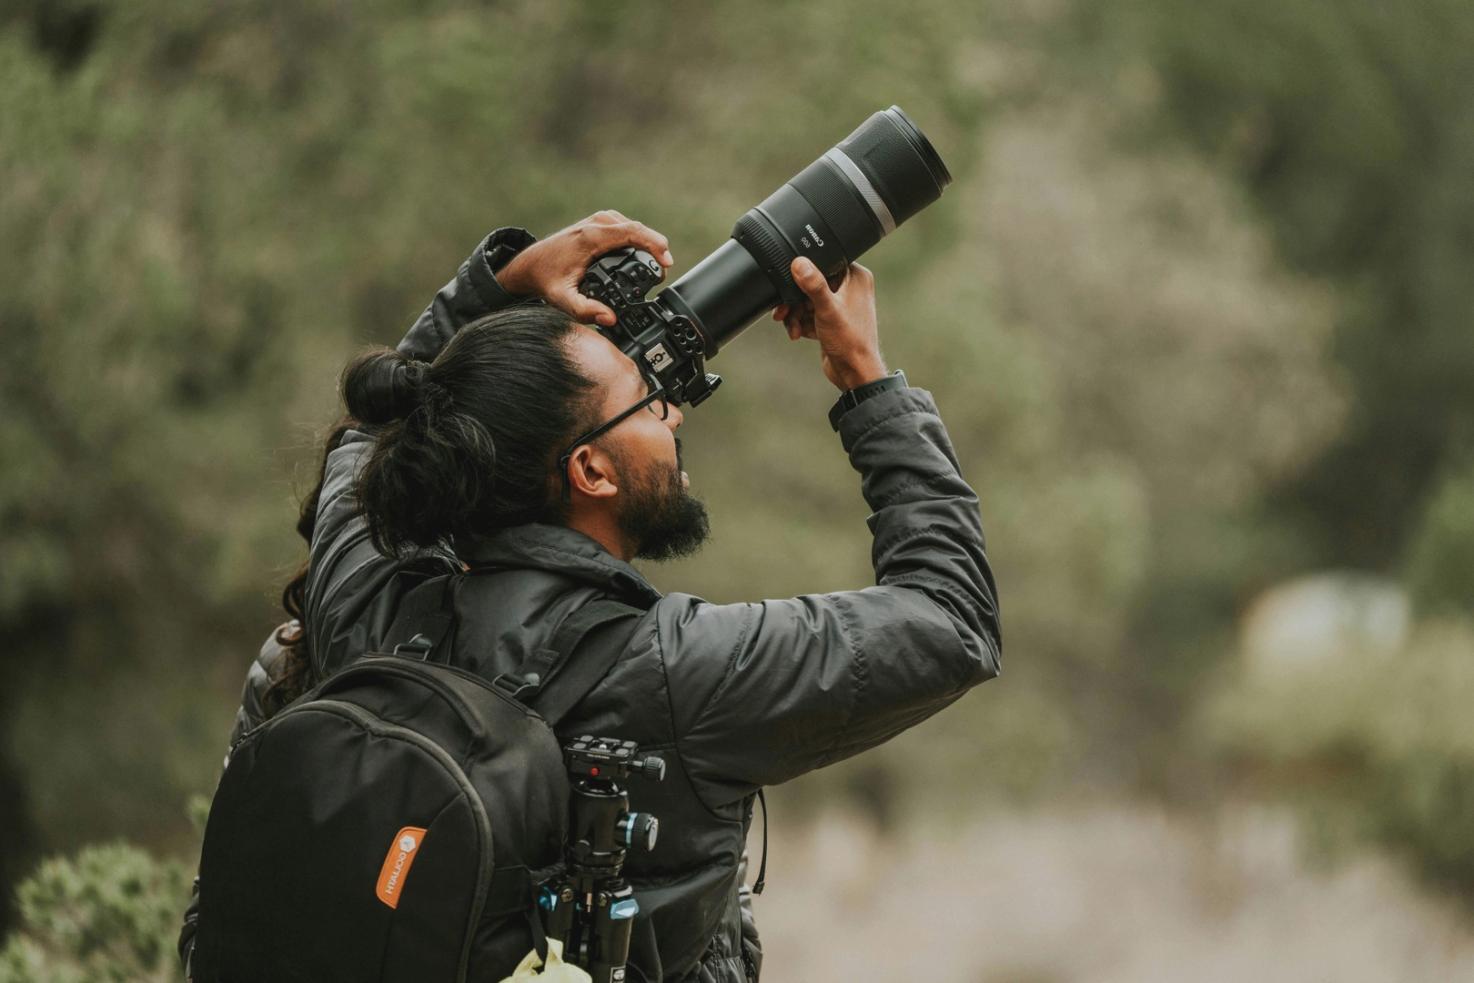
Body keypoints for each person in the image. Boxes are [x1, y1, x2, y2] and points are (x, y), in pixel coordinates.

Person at [186, 210, 1001, 982]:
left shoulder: (366, 603)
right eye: (648, 400)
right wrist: (865, 378)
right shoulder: (676, 672)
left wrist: (501, 284)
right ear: (591, 471)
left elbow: (372, 424)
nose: (674, 412)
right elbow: (952, 619)